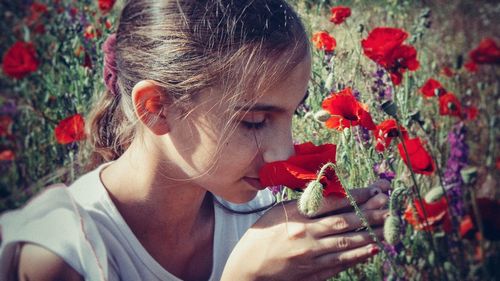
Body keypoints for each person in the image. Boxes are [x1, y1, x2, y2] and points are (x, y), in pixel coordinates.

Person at [0, 1, 390, 280]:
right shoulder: (64, 256)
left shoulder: (266, 217)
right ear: (156, 108)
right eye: (254, 121)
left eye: (293, 113)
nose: (285, 151)